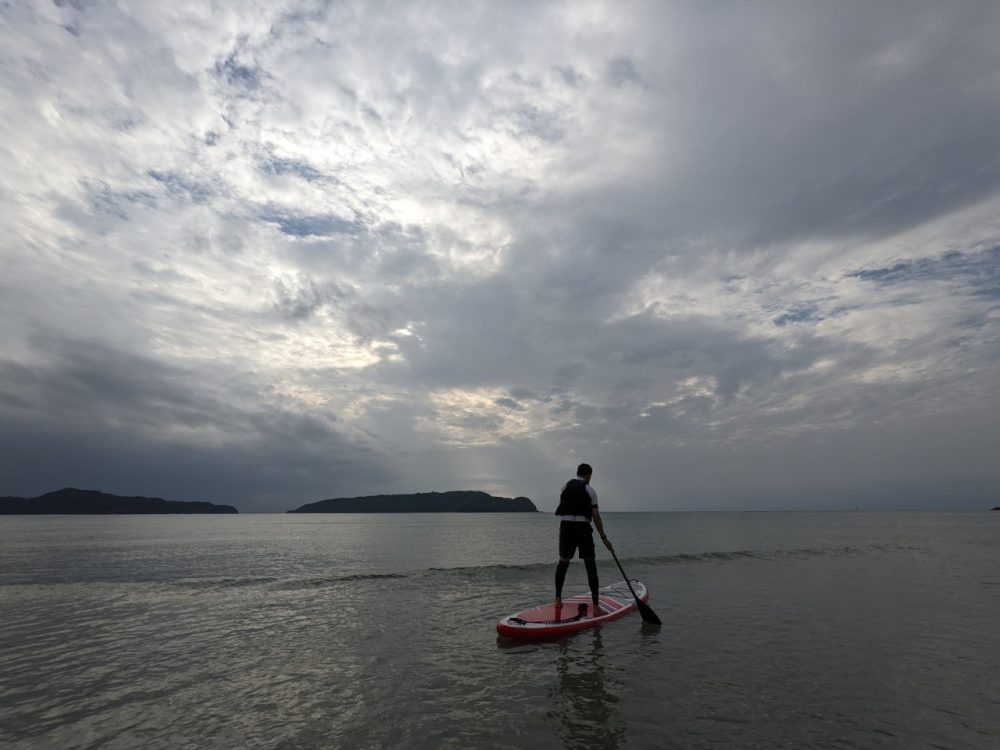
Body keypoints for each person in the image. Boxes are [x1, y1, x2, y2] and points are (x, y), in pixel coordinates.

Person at [554, 462, 613, 617]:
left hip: (566, 526)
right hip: (582, 528)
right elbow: (595, 515)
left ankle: (558, 599)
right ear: (589, 475)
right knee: (590, 565)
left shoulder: (565, 486)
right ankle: (596, 606)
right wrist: (603, 537)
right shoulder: (590, 490)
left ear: (578, 473)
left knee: (563, 562)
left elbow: (562, 505)